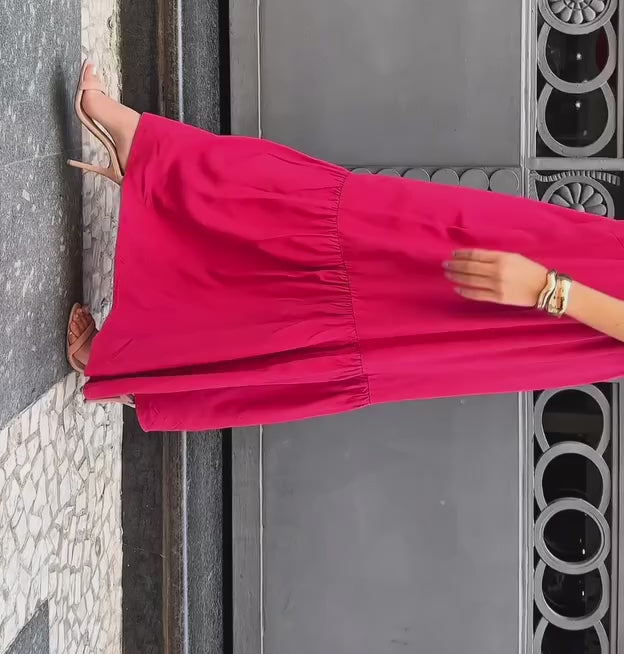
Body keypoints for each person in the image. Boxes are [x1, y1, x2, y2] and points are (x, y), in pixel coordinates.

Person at [66, 61, 624, 432]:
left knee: (360, 310)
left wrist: (549, 289)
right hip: (577, 251)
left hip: (566, 307)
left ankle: (135, 369)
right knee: (355, 221)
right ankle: (153, 157)